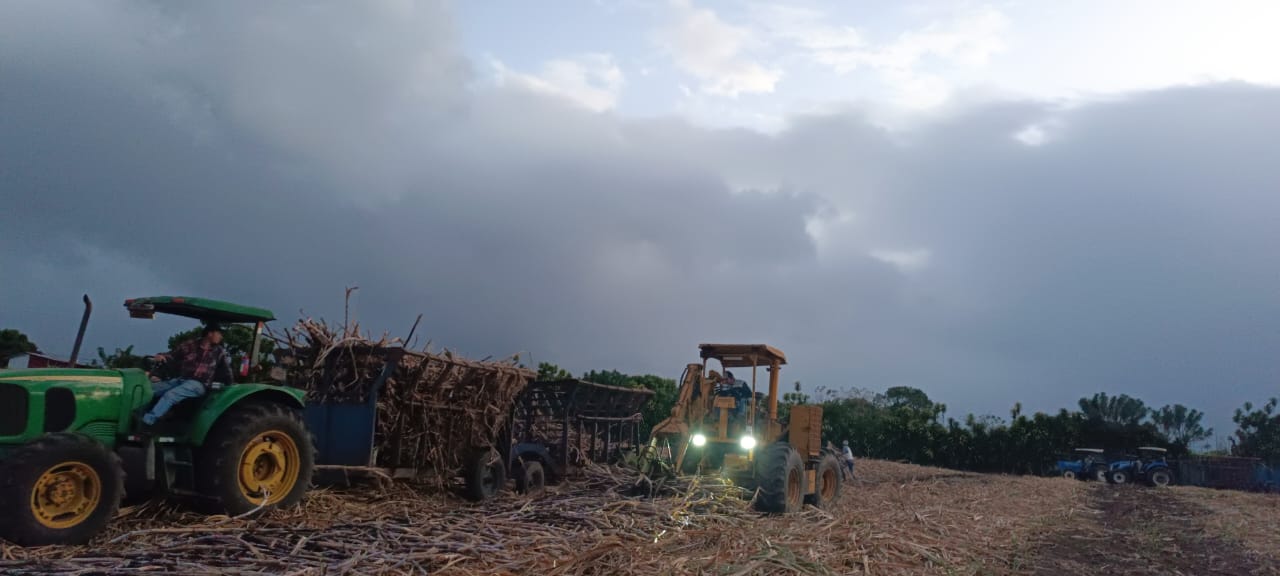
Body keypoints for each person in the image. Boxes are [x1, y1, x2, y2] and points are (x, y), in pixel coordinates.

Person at [140, 324, 232, 428]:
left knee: (171, 395)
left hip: (199, 384)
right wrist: (162, 356)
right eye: (219, 334)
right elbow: (172, 355)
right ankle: (135, 415)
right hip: (182, 379)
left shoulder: (219, 351)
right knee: (149, 389)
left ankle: (147, 422)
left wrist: (230, 385)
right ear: (210, 334)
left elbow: (226, 371)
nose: (221, 337)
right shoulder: (190, 345)